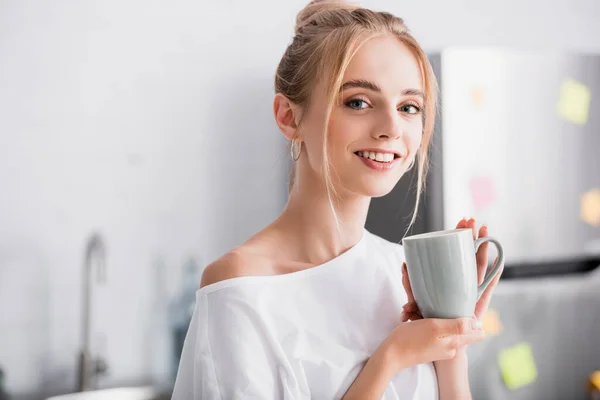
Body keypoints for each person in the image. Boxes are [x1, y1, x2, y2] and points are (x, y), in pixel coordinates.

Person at [172, 1, 502, 398]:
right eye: (358, 102)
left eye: (409, 107)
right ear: (289, 117)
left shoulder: (403, 274)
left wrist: (451, 338)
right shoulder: (240, 289)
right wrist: (391, 357)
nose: (392, 128)